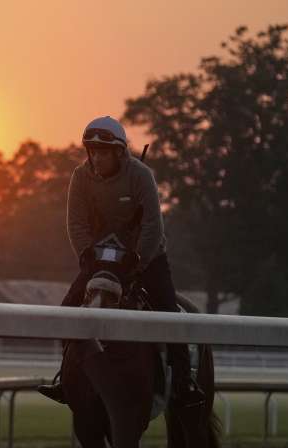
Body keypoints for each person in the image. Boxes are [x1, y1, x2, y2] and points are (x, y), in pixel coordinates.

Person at [37, 115, 203, 408]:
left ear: (119, 152)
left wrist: (138, 262)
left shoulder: (140, 175)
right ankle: (66, 376)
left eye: (103, 152)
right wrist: (86, 254)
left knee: (166, 309)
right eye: (93, 151)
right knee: (68, 307)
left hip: (146, 256)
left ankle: (182, 380)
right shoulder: (80, 176)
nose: (96, 158)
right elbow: (76, 223)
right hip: (100, 258)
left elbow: (153, 225)